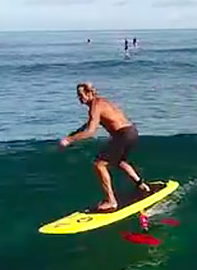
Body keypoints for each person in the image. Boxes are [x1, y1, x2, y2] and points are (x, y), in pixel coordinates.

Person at [58, 82, 150, 211]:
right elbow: (91, 123)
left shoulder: (95, 106)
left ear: (89, 93)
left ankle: (111, 201)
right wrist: (75, 133)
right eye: (78, 95)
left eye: (81, 95)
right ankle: (141, 185)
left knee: (99, 164)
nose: (79, 98)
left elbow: (90, 131)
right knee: (119, 161)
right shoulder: (101, 102)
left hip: (122, 134)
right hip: (132, 131)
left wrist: (69, 140)